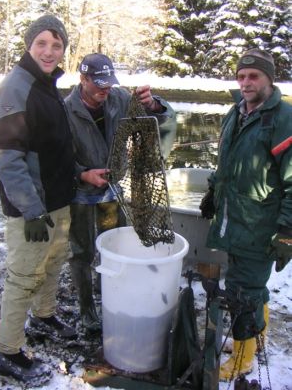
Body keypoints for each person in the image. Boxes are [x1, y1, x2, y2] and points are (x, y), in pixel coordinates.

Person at [0, 15, 108, 385]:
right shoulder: (16, 88)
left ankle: (44, 316)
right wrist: (29, 209)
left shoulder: (46, 85)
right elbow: (5, 156)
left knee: (53, 263)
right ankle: (7, 352)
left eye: (56, 45)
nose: (49, 51)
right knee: (23, 276)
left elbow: (52, 149)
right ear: (29, 44)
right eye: (41, 43)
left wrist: (79, 173)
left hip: (57, 200)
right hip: (32, 209)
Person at [65, 53, 177, 332]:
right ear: (83, 79)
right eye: (98, 83)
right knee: (83, 252)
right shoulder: (65, 109)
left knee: (114, 246)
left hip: (113, 189)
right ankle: (87, 309)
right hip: (80, 192)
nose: (105, 89)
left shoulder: (120, 99)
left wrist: (153, 103)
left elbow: (162, 119)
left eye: (109, 82)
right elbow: (57, 157)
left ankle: (112, 293)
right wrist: (82, 173)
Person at [199, 48, 292, 381]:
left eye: (254, 76)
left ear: (269, 78)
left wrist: (287, 231)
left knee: (242, 291)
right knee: (253, 286)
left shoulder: (284, 118)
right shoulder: (235, 112)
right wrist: (212, 191)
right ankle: (256, 337)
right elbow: (224, 163)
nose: (246, 82)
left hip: (260, 226)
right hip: (234, 219)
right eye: (241, 76)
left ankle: (242, 360)